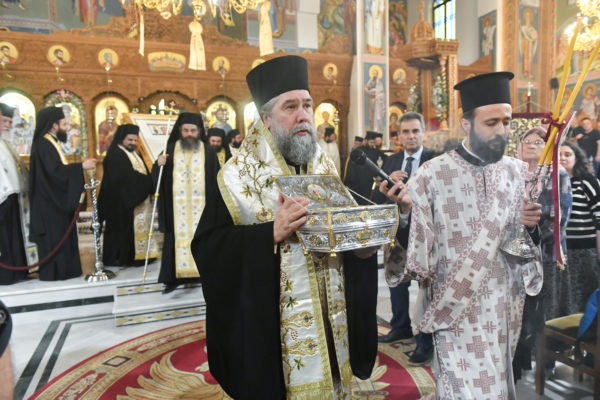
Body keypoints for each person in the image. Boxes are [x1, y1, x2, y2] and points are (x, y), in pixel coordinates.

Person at [192, 55, 379, 399]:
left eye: (307, 105)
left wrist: (363, 250)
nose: (303, 115)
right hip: (276, 347)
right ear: (266, 119)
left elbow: (346, 237)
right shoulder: (236, 177)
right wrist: (269, 235)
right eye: (290, 107)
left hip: (332, 332)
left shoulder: (324, 167)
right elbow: (207, 249)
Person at [379, 72, 543, 397]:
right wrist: (405, 213)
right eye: (491, 122)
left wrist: (530, 226)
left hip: (502, 308)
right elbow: (413, 253)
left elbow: (523, 245)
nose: (502, 131)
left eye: (507, 122)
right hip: (454, 307)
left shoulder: (516, 172)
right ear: (466, 123)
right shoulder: (431, 175)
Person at [374, 112, 436, 366]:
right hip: (398, 233)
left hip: (426, 234)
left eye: (415, 131)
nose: (411, 136)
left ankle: (425, 341)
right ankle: (400, 326)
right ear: (398, 136)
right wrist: (387, 186)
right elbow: (377, 198)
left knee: (426, 289)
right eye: (406, 132)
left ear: (423, 133)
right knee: (396, 282)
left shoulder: (435, 159)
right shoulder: (390, 160)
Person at [512, 127, 572, 381]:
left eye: (538, 142)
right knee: (519, 310)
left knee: (544, 310)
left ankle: (545, 362)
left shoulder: (558, 174)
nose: (532, 145)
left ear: (548, 147)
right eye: (527, 140)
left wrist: (531, 236)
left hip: (546, 253)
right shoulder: (513, 174)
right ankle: (519, 360)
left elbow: (560, 218)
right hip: (516, 255)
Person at [153, 113, 219, 294]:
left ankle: (205, 275)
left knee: (204, 240)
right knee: (174, 242)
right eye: (186, 130)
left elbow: (217, 180)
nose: (189, 134)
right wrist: (158, 165)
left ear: (199, 131)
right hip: (176, 210)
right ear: (180, 131)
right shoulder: (169, 149)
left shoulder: (209, 152)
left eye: (193, 130)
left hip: (203, 210)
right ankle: (172, 279)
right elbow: (158, 178)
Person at [29, 107, 97, 280]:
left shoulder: (51, 142)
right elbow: (54, 173)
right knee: (55, 236)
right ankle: (56, 273)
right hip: (49, 204)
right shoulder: (44, 144)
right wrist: (81, 167)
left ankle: (66, 271)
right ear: (54, 125)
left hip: (53, 201)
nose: (67, 128)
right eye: (64, 124)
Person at [98, 124, 157, 267]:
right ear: (121, 139)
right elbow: (127, 179)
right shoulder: (116, 154)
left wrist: (150, 178)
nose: (133, 143)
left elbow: (138, 175)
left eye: (135, 140)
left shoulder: (133, 154)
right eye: (130, 140)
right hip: (120, 205)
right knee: (122, 233)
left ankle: (139, 255)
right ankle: (124, 258)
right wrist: (150, 180)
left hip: (131, 202)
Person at [560, 141, 600, 315]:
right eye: (558, 155)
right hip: (562, 251)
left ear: (576, 159)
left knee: (586, 296)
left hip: (586, 249)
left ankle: (587, 329)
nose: (562, 158)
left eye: (567, 154)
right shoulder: (551, 183)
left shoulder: (587, 181)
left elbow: (599, 216)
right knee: (568, 298)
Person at [0, 103, 38, 284]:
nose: (8, 125)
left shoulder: (5, 144)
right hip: (3, 200)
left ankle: (18, 272)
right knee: (5, 239)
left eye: (9, 122)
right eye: (4, 121)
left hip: (14, 198)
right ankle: (7, 275)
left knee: (15, 238)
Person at [344, 131, 386, 205]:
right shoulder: (358, 152)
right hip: (358, 185)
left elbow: (380, 167)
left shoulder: (376, 152)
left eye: (373, 143)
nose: (372, 145)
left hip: (370, 184)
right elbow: (350, 169)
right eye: (371, 142)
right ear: (366, 141)